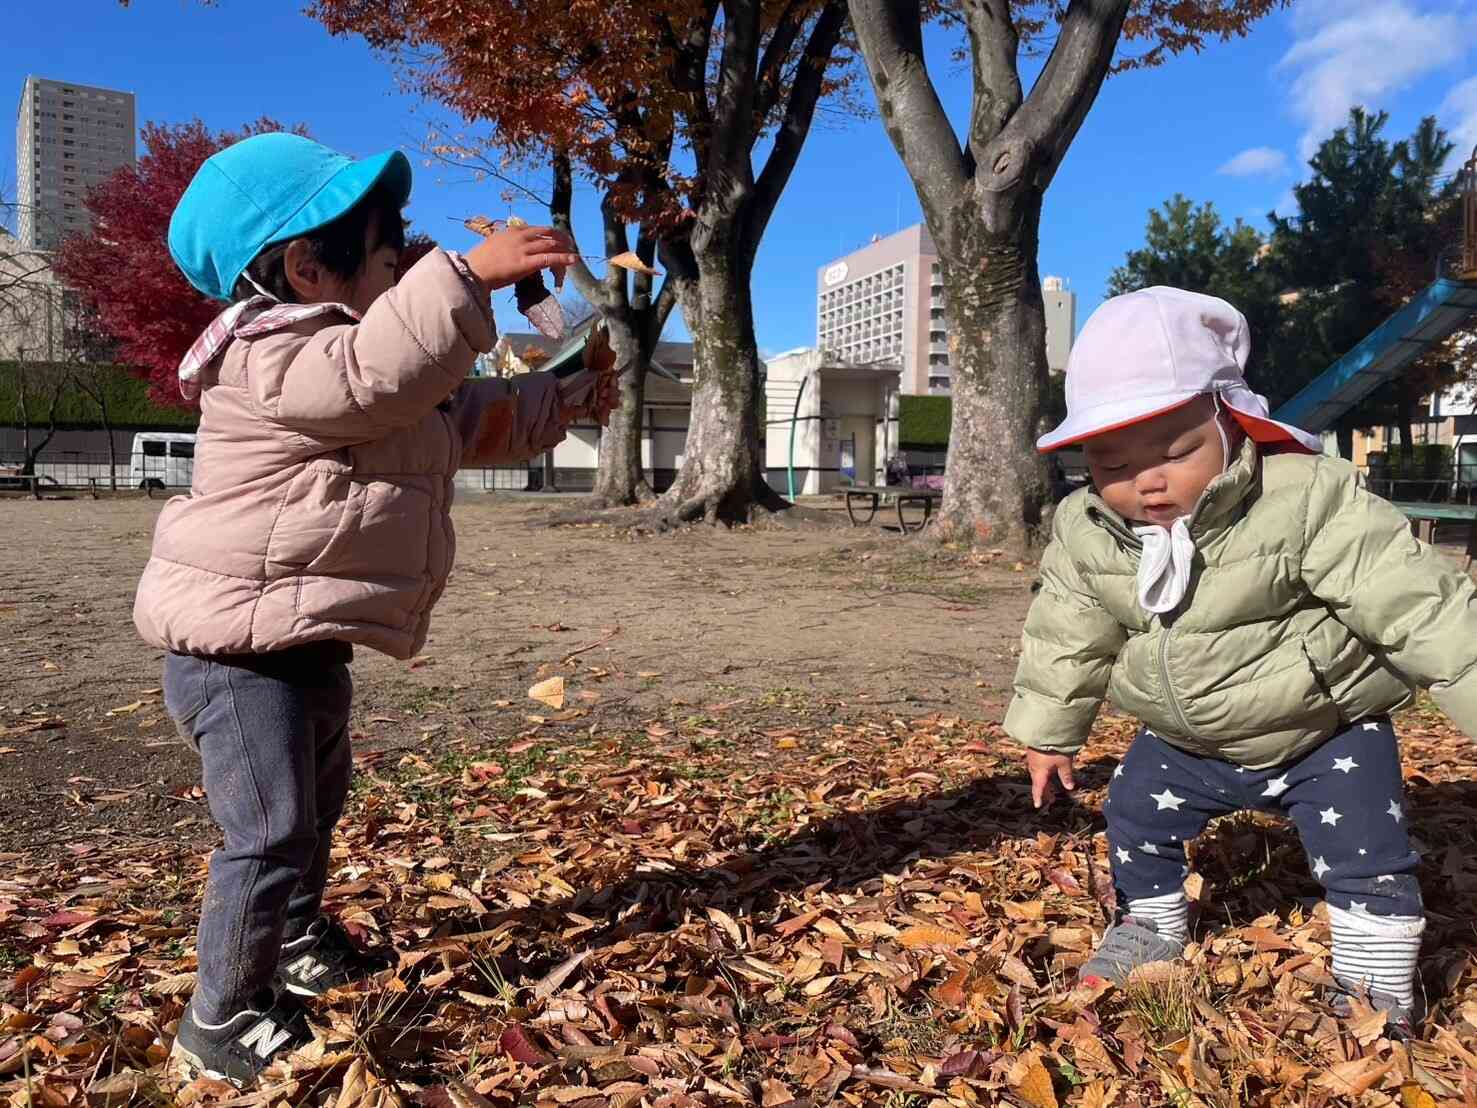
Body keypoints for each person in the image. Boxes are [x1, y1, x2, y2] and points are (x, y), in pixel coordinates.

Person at [134, 132, 613, 1087]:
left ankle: (298, 941)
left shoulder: (368, 364)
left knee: (312, 811)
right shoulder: (270, 358)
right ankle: (220, 1013)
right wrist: (469, 280)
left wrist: (560, 377)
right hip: (233, 658)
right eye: (386, 241)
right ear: (308, 266)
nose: (407, 250)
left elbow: (461, 412)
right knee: (266, 833)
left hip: (298, 639)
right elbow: (377, 372)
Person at [1005, 286, 1477, 1034]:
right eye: (1110, 462)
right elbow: (1067, 625)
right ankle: (1150, 925)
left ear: (1231, 422)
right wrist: (1047, 730)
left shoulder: (1302, 497)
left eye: (1173, 452)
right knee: (1130, 812)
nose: (1145, 482)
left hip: (1319, 730)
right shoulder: (1088, 527)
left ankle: (1372, 986)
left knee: (1366, 853)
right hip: (1185, 738)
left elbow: (1416, 604)